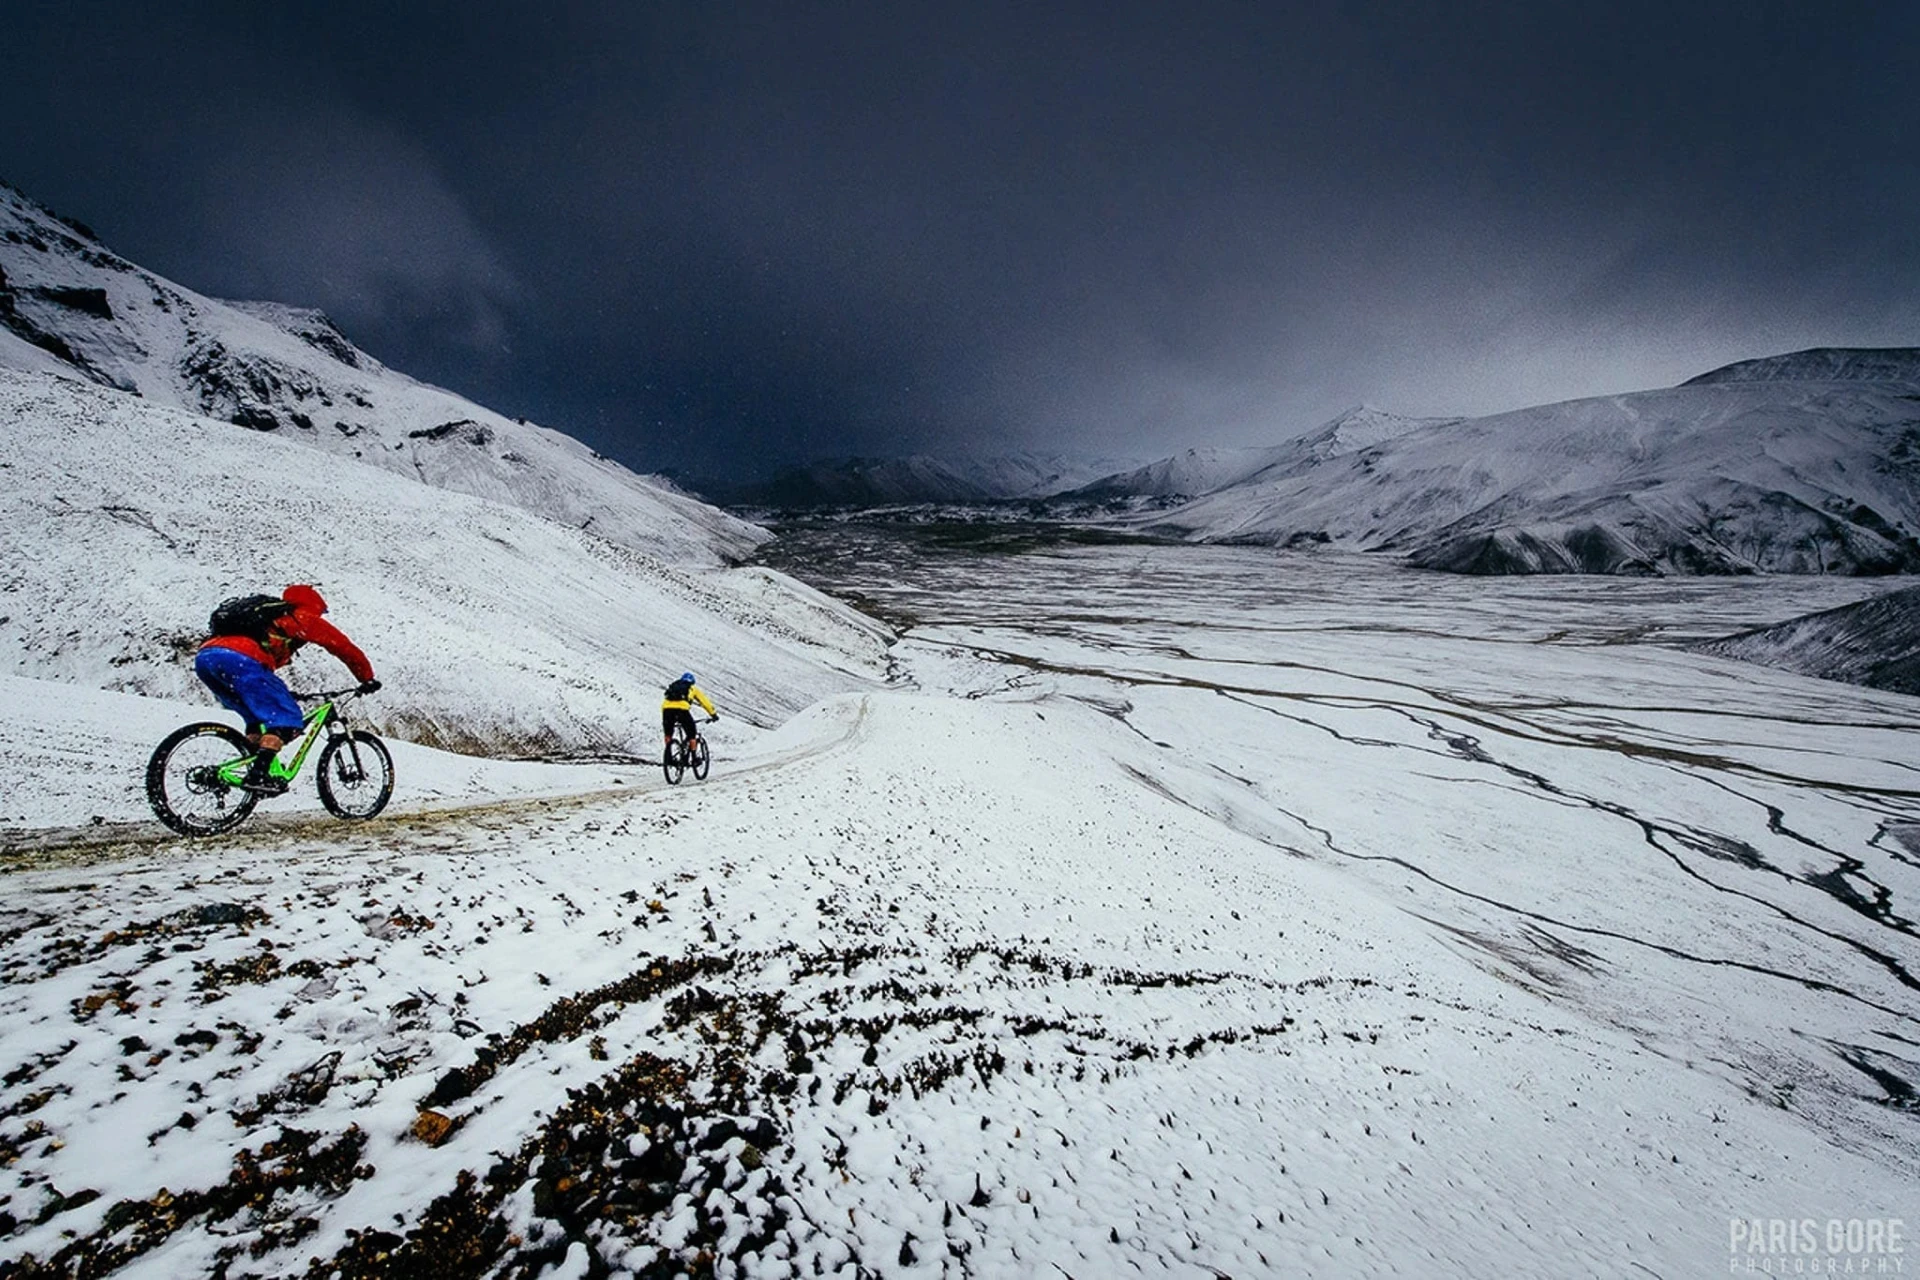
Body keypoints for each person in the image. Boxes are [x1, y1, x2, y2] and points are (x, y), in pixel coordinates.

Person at [195, 584, 378, 795]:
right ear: (315, 605)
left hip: (206, 659)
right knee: (287, 721)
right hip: (240, 660)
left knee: (257, 721)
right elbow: (343, 647)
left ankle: (248, 768)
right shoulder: (302, 617)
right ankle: (258, 775)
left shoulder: (267, 620)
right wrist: (367, 678)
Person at [661, 671, 718, 756]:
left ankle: (668, 755)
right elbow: (704, 702)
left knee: (668, 733)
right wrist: (713, 714)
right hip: (682, 711)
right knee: (692, 733)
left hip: (667, 710)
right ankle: (694, 757)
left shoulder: (673, 687)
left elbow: (665, 703)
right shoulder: (692, 688)